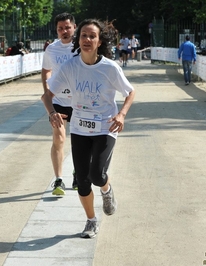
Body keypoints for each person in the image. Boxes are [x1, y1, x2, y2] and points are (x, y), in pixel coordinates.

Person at [41, 18, 135, 238]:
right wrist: (52, 113)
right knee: (82, 180)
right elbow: (47, 95)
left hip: (105, 126)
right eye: (83, 35)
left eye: (92, 36)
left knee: (97, 175)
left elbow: (130, 92)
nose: (87, 39)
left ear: (99, 41)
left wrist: (121, 114)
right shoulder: (70, 66)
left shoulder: (110, 68)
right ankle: (91, 221)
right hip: (81, 128)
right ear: (78, 38)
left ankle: (106, 189)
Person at [41, 13, 78, 195]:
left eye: (67, 27)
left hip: (80, 102)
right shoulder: (52, 49)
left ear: (74, 27)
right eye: (60, 29)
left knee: (81, 142)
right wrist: (48, 90)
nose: (64, 31)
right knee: (59, 139)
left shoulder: (82, 46)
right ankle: (59, 180)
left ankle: (78, 173)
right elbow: (46, 70)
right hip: (59, 102)